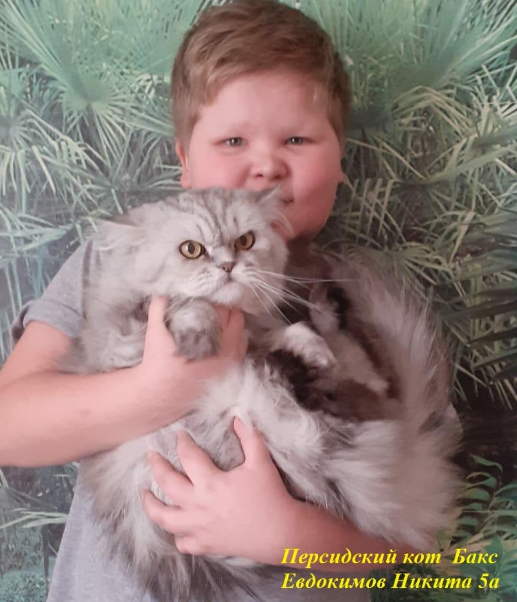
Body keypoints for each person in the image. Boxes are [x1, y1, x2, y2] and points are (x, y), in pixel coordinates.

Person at [0, 1, 426, 600]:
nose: (266, 165)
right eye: (233, 139)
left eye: (297, 139)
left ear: (340, 161)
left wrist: (290, 535)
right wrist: (158, 392)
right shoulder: (119, 257)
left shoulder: (376, 307)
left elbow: (413, 549)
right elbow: (8, 426)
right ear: (185, 161)